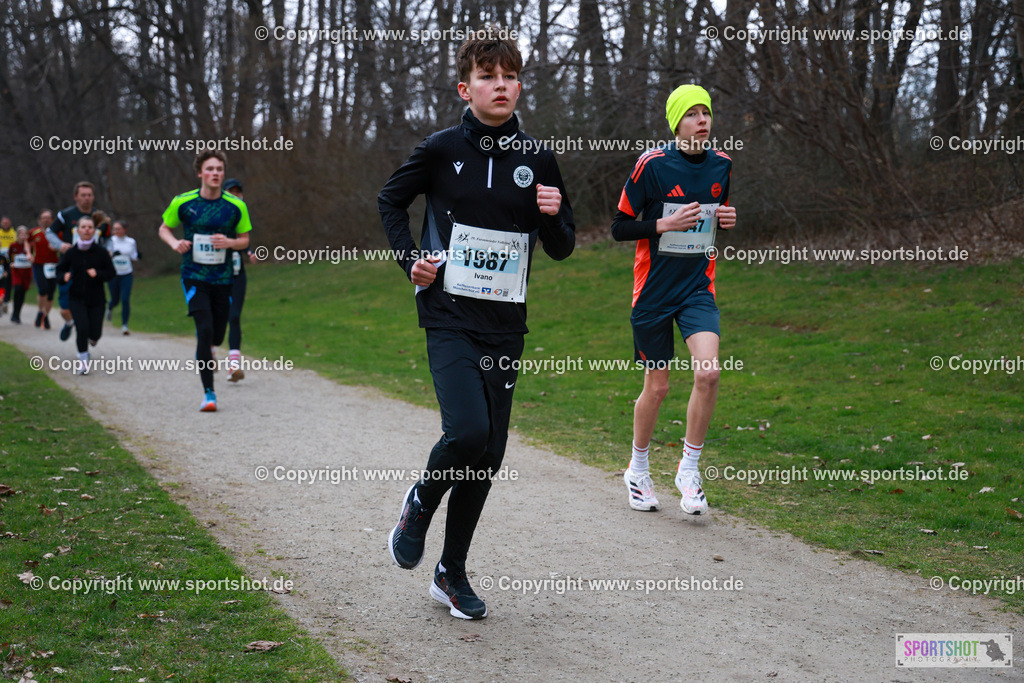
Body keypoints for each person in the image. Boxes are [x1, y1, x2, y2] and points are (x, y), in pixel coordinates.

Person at [378, 30, 575, 620]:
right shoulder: (439, 149)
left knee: (487, 454)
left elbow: (562, 246)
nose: (501, 86)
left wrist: (556, 213)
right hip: (448, 315)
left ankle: (451, 573)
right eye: (488, 77)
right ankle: (419, 503)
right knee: (465, 431)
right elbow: (391, 201)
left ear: (520, 86)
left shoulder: (537, 159)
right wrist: (408, 259)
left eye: (510, 76)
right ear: (466, 89)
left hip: (505, 324)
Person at [611, 84, 736, 515]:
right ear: (676, 122)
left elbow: (716, 215)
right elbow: (619, 227)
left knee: (709, 374)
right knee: (658, 386)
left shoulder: (723, 164)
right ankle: (638, 469)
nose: (703, 120)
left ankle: (689, 467)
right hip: (653, 293)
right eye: (692, 113)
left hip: (697, 289)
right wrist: (663, 225)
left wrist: (727, 218)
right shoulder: (653, 165)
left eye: (706, 112)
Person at [158, 151, 251, 412]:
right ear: (200, 173)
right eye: (210, 169)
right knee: (205, 329)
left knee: (218, 335)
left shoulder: (236, 206)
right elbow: (164, 228)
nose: (215, 174)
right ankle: (209, 393)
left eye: (219, 169)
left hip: (223, 278)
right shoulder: (184, 202)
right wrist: (175, 242)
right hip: (193, 276)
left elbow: (245, 239)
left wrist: (230, 242)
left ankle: (210, 350)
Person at [55, 216, 115, 374]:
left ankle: (92, 339)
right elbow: (59, 271)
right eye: (84, 227)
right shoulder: (71, 253)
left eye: (90, 227)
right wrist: (63, 277)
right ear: (78, 231)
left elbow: (111, 273)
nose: (87, 230)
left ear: (94, 231)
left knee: (95, 334)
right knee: (82, 328)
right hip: (76, 298)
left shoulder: (101, 253)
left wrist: (98, 274)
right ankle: (83, 360)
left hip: (97, 299)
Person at [47, 181, 99, 342]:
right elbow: (49, 232)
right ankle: (70, 323)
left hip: (90, 267)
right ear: (76, 197)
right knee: (64, 309)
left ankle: (86, 333)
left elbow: (108, 237)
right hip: (69, 267)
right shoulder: (66, 215)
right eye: (83, 195)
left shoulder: (99, 216)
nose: (87, 198)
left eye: (89, 195)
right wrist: (60, 245)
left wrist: (107, 250)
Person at [222, 178, 258, 381]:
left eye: (238, 192)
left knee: (234, 317)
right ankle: (207, 351)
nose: (235, 195)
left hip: (237, 274)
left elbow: (243, 240)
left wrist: (250, 252)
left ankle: (233, 365)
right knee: (215, 320)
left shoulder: (241, 216)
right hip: (215, 276)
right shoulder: (215, 216)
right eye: (231, 192)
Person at [106, 220, 139, 334]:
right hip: (113, 274)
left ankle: (125, 325)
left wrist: (138, 255)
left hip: (127, 274)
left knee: (125, 299)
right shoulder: (110, 241)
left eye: (118, 229)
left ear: (125, 229)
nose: (116, 231)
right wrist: (112, 255)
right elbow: (105, 256)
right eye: (114, 229)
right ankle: (110, 306)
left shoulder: (131, 242)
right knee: (115, 300)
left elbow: (134, 256)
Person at [30, 210, 58, 329]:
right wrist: (28, 253)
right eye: (43, 218)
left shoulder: (57, 232)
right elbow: (26, 243)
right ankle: (40, 311)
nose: (46, 220)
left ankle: (46, 316)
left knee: (50, 293)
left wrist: (56, 246)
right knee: (42, 290)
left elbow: (63, 244)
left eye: (48, 218)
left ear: (52, 220)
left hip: (53, 265)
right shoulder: (33, 232)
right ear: (39, 220)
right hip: (39, 265)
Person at [7, 226, 34, 324]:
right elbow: (9, 258)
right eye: (21, 234)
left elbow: (33, 257)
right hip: (17, 272)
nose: (23, 236)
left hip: (26, 272)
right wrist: (11, 263)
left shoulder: (29, 247)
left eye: (25, 234)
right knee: (17, 289)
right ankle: (14, 313)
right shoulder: (13, 246)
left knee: (22, 293)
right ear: (17, 235)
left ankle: (17, 314)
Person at [0, 216, 14, 314]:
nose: (5, 225)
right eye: (3, 223)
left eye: (7, 223)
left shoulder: (14, 233)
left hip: (9, 261)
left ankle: (5, 301)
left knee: (7, 283)